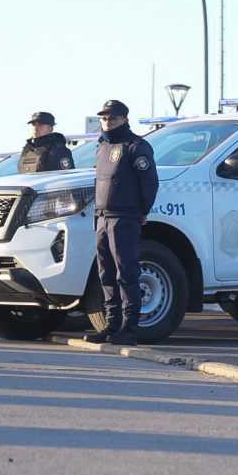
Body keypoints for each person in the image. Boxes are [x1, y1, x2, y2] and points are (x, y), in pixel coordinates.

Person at [85, 99, 159, 346]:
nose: (107, 122)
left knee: (126, 273)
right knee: (106, 272)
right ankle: (112, 323)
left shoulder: (135, 146)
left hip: (125, 217)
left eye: (113, 118)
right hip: (103, 217)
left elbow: (149, 181)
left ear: (125, 120)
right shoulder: (102, 146)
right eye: (104, 118)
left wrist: (143, 210)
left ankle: (129, 327)